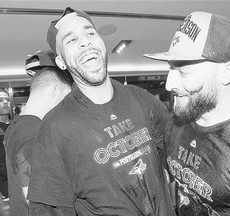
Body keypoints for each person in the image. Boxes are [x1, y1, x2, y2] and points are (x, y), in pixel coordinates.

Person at [27, 7, 175, 216]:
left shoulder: (139, 98)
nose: (85, 41)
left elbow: (178, 147)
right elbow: (46, 210)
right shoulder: (55, 128)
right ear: (61, 62)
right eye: (71, 40)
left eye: (89, 32)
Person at [144, 11, 230, 215]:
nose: (169, 84)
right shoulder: (174, 125)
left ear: (227, 72)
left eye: (183, 72)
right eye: (171, 69)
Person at [4, 50, 73, 216]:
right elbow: (43, 207)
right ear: (55, 90)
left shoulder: (16, 126)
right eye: (68, 96)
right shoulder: (35, 133)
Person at [0, 89, 11, 200]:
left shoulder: (15, 125)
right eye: (1, 100)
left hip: (18, 183)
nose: (5, 102)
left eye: (7, 100)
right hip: (3, 189)